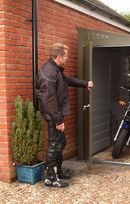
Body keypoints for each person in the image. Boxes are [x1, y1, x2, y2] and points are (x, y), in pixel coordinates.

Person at [36, 43, 93, 188]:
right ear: (59, 56)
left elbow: (67, 80)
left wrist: (85, 83)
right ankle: (50, 178)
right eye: (66, 56)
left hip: (55, 114)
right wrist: (58, 120)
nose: (67, 58)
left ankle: (58, 172)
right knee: (55, 144)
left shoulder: (55, 70)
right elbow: (49, 99)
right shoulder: (49, 72)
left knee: (60, 143)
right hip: (53, 115)